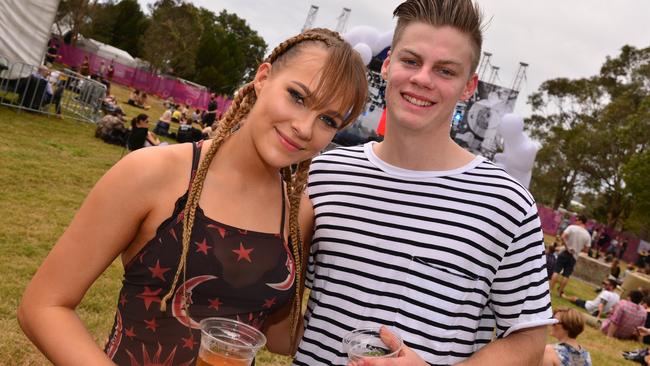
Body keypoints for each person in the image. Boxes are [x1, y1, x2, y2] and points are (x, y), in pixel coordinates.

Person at [17, 28, 368, 365]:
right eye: (297, 96)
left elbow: (278, 336)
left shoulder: (298, 215)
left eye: (327, 120)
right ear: (263, 78)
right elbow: (43, 306)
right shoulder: (153, 173)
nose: (304, 127)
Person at [294, 1, 554, 365]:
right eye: (411, 61)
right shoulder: (325, 172)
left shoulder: (506, 202)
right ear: (387, 64)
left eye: (445, 71)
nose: (422, 79)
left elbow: (528, 335)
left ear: (469, 87)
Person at [550, 214, 591, 297]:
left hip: (565, 252)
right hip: (574, 256)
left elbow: (563, 237)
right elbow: (587, 250)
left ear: (581, 221)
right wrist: (578, 249)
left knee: (556, 271)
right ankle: (559, 292)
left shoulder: (572, 228)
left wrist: (567, 247)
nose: (575, 221)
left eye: (576, 220)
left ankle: (550, 290)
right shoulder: (587, 235)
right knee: (566, 275)